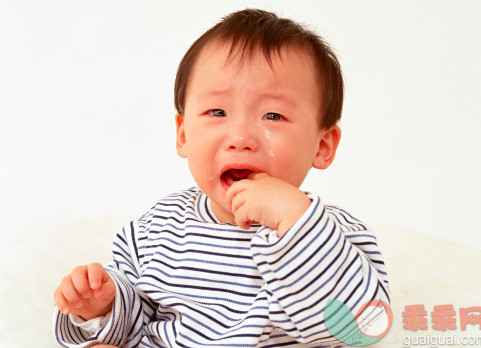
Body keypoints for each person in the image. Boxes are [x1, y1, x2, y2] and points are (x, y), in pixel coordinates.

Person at [53, 8, 390, 347]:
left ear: (322, 145)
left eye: (273, 115)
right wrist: (103, 305)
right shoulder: (157, 228)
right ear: (183, 134)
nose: (240, 136)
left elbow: (364, 326)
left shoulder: (332, 234)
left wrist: (294, 219)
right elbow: (138, 319)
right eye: (217, 112)